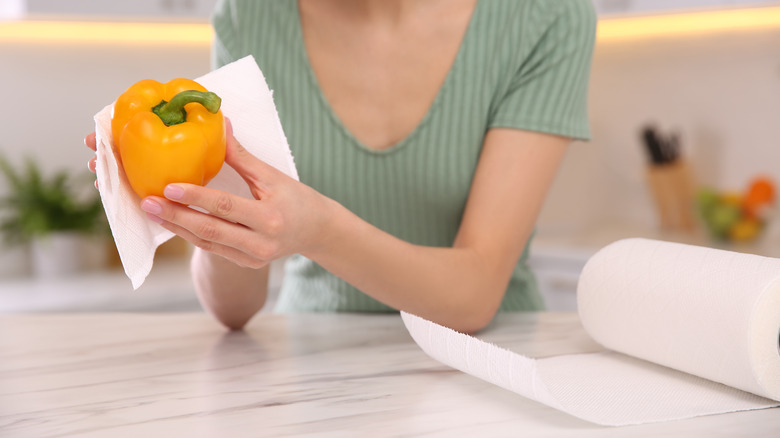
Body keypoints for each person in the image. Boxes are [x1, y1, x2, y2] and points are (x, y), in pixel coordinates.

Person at [86, 0, 596, 333]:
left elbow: (474, 296)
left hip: (497, 360)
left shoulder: (546, 17)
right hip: (312, 363)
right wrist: (205, 210)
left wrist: (319, 231)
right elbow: (234, 310)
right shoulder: (249, 15)